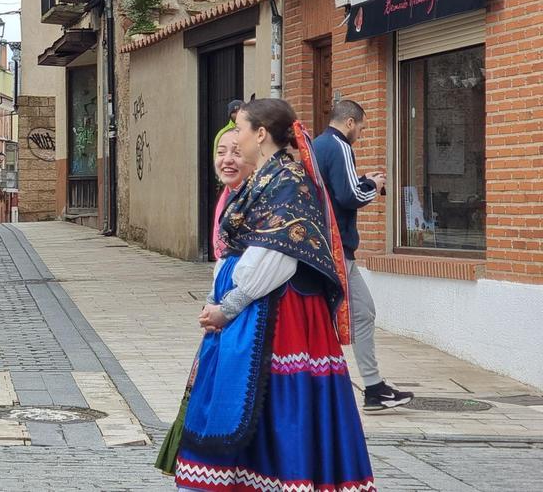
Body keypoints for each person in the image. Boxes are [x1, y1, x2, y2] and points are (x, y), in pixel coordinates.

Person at [174, 98, 374, 491]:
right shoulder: (270, 177)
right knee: (256, 407)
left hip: (279, 316)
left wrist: (228, 307)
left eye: (241, 129)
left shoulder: (287, 183)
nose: (237, 137)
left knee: (277, 405)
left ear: (260, 134)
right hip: (261, 310)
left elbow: (276, 257)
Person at [155, 128, 255, 475]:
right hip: (222, 305)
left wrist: (226, 306)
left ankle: (226, 471)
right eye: (221, 152)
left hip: (245, 312)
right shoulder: (230, 196)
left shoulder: (256, 198)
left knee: (233, 392)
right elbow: (222, 255)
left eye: (236, 153)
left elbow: (265, 261)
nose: (227, 160)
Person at [313, 99, 414, 411]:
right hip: (338, 247)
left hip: (329, 246)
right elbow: (349, 196)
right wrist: (373, 183)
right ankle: (361, 387)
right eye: (361, 127)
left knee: (361, 313)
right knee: (344, 315)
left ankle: (373, 388)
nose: (360, 133)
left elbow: (334, 189)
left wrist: (361, 180)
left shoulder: (318, 145)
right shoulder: (340, 146)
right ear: (349, 123)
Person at [211, 99, 243, 165]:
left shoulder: (251, 130)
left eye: (240, 111)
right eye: (234, 112)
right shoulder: (223, 133)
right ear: (230, 115)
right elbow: (217, 158)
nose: (237, 114)